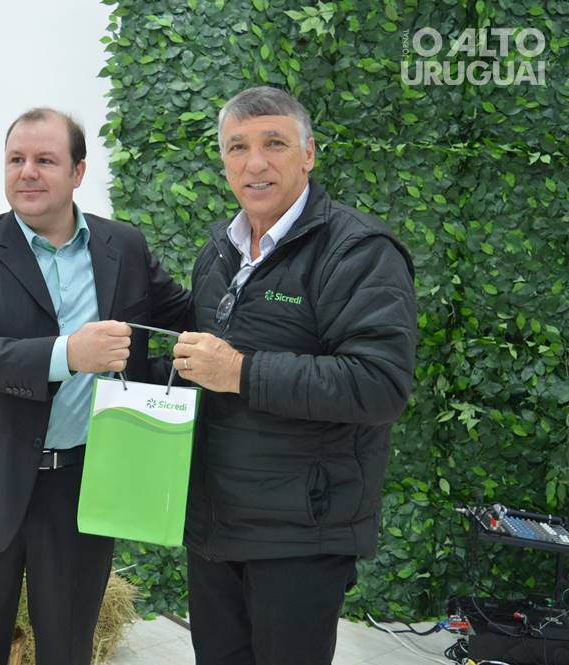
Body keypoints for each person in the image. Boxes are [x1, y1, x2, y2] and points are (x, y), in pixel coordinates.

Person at [0, 107, 189, 665]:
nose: (27, 172)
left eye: (45, 160)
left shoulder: (124, 246)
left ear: (78, 172)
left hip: (83, 483)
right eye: (16, 159)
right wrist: (68, 354)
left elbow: (184, 317)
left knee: (68, 649)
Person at [172, 86, 418, 665]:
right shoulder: (219, 250)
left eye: (274, 144)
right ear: (224, 161)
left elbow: (378, 384)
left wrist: (242, 371)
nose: (254, 163)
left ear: (308, 154)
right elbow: (199, 365)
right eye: (237, 147)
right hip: (214, 526)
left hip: (301, 534)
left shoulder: (358, 251)